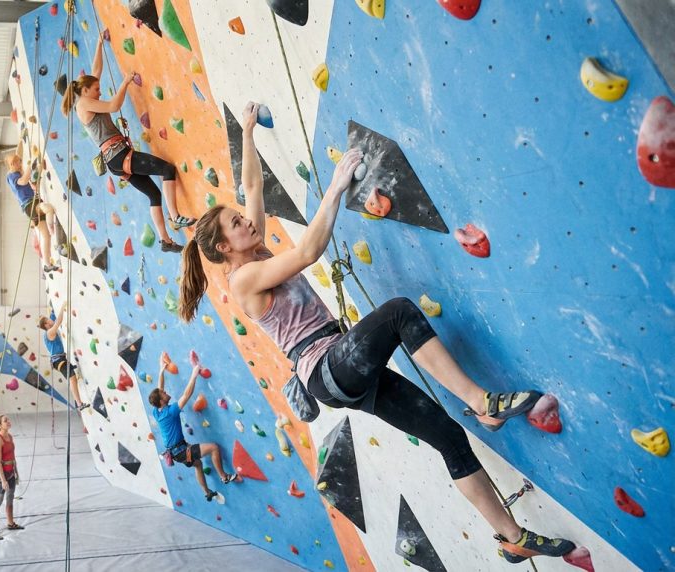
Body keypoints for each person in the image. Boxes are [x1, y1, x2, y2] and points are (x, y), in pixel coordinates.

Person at [177, 102, 576, 564]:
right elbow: (308, 251)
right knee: (399, 313)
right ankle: (483, 403)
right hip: (326, 368)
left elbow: (251, 186)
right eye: (237, 223)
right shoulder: (242, 279)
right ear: (226, 247)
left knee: (447, 436)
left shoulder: (254, 248)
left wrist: (246, 130)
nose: (247, 219)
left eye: (241, 216)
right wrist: (336, 188)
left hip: (342, 371)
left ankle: (510, 537)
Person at [61, 30, 195, 254]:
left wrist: (99, 44)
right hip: (118, 155)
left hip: (116, 159)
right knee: (167, 169)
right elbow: (113, 106)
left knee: (154, 194)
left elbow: (96, 71)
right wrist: (125, 82)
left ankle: (164, 241)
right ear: (85, 91)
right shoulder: (83, 104)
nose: (99, 90)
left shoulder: (87, 98)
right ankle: (175, 216)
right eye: (96, 89)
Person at [149, 353, 235, 501]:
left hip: (176, 453)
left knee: (198, 465)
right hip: (181, 450)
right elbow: (186, 395)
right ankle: (224, 476)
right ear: (161, 401)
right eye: (164, 394)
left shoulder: (157, 411)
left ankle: (207, 492)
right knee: (214, 447)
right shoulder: (170, 412)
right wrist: (194, 374)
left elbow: (159, 388)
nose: (165, 392)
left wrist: (161, 371)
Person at [5, 144, 61, 273]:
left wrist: (20, 141)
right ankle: (52, 227)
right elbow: (24, 181)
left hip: (31, 205)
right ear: (12, 165)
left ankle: (47, 264)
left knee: (45, 236)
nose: (20, 164)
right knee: (49, 209)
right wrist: (31, 165)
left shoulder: (13, 171)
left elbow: (17, 154)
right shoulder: (12, 176)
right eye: (18, 163)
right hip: (31, 205)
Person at [37, 301, 89, 410]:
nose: (50, 320)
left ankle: (78, 403)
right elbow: (58, 321)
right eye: (48, 320)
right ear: (46, 325)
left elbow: (53, 315)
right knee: (72, 377)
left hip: (60, 359)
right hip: (58, 361)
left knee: (72, 377)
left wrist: (52, 306)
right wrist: (63, 306)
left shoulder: (49, 330)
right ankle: (79, 404)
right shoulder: (49, 333)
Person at [0, 414, 25, 540]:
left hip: (11, 473)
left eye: (8, 419)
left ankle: (10, 523)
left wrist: (15, 473)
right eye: (5, 421)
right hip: (1, 475)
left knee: (10, 500)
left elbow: (12, 457)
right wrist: (3, 480)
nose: (9, 422)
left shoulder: (9, 436)